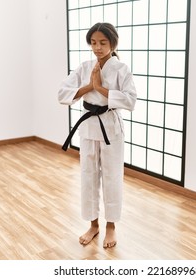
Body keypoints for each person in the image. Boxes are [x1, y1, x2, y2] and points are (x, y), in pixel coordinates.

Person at [58, 22, 137, 248]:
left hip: (110, 127)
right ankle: (93, 224)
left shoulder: (121, 69)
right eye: (93, 43)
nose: (98, 48)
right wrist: (89, 86)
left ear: (113, 43)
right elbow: (62, 94)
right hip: (89, 126)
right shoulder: (84, 67)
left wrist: (101, 88)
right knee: (88, 175)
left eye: (103, 43)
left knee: (112, 176)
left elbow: (131, 100)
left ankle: (110, 226)